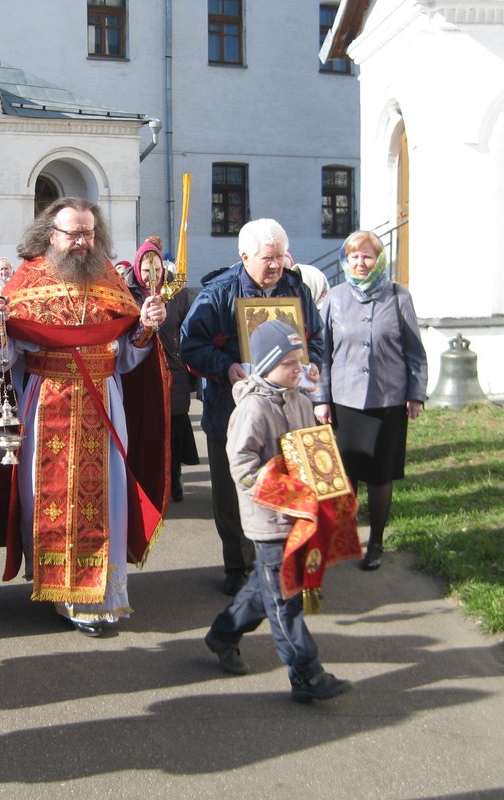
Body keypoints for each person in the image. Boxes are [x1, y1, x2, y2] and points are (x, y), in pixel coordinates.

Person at [0, 197, 170, 637]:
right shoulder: (27, 279)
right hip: (47, 404)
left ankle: (99, 595)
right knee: (48, 499)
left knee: (105, 500)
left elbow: (128, 358)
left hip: (104, 404)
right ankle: (60, 589)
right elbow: (4, 358)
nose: (82, 241)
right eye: (73, 232)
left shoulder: (110, 280)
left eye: (89, 232)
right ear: (49, 235)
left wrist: (147, 327)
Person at [203, 319, 352, 702]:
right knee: (285, 601)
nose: (298, 368)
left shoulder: (300, 401)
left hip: (300, 520)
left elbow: (313, 452)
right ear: (268, 364)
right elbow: (242, 467)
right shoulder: (252, 409)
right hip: (268, 522)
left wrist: (329, 485)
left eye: (299, 360)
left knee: (263, 590)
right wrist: (284, 492)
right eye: (290, 363)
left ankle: (222, 634)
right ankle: (306, 673)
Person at [181, 218, 322, 595]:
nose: (276, 266)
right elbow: (191, 344)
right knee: (234, 490)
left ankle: (279, 560)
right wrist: (226, 367)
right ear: (244, 256)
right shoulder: (218, 293)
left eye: (280, 257)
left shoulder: (296, 288)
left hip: (288, 409)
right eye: (267, 258)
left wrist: (312, 366)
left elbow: (316, 336)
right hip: (232, 411)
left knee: (288, 481)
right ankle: (238, 566)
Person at [314, 230, 427, 570]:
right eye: (354, 257)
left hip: (388, 401)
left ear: (379, 260)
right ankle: (343, 539)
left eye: (367, 257)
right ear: (345, 261)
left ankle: (375, 542)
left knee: (380, 475)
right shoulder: (334, 298)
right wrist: (322, 398)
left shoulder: (398, 297)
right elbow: (322, 355)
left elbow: (414, 352)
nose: (361, 263)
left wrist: (416, 393)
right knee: (345, 476)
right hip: (345, 401)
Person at [124, 236, 198, 502]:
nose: (152, 275)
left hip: (172, 366)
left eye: (156, 270)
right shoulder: (125, 291)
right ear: (137, 269)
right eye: (146, 271)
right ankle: (142, 479)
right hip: (138, 367)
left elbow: (187, 327)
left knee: (174, 424)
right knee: (142, 422)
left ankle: (173, 476)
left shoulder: (176, 293)